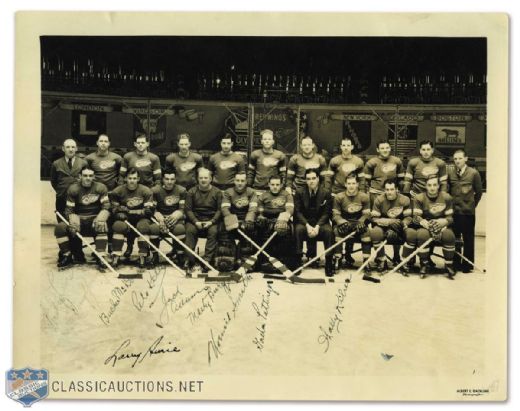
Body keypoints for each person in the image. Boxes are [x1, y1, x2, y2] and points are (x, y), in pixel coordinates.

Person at [54, 165, 110, 269]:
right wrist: (73, 220)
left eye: (90, 175)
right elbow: (69, 209)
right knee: (60, 228)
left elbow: (106, 206)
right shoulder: (73, 188)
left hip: (94, 219)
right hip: (79, 219)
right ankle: (67, 255)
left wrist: (100, 218)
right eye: (85, 175)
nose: (88, 178)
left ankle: (101, 255)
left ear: (94, 177)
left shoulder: (101, 187)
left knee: (102, 224)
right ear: (80, 176)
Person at [405, 175, 456, 279]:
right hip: (425, 224)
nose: (432, 187)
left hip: (441, 224)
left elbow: (450, 218)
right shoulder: (419, 198)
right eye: (429, 185)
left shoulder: (447, 197)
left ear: (438, 186)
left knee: (449, 235)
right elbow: (416, 217)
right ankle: (424, 264)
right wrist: (426, 224)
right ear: (426, 186)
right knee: (422, 235)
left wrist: (443, 222)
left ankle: (448, 265)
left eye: (434, 185)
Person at [364, 140, 405, 265]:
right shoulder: (372, 162)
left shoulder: (397, 161)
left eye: (387, 147)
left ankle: (397, 255)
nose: (385, 150)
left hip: (393, 196)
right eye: (382, 148)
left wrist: (399, 195)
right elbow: (365, 183)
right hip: (376, 195)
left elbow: (402, 181)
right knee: (377, 226)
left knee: (395, 225)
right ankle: (379, 256)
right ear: (377, 149)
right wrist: (369, 198)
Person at [109, 168, 155, 270]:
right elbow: (114, 209)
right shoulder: (117, 191)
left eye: (134, 178)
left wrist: (128, 211)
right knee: (118, 226)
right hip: (125, 219)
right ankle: (116, 255)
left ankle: (142, 256)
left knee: (143, 227)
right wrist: (118, 214)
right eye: (130, 178)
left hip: (141, 219)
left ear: (138, 179)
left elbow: (148, 211)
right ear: (125, 178)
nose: (132, 181)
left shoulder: (146, 191)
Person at [448, 149, 483, 273]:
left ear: (466, 158)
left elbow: (479, 193)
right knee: (455, 238)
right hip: (454, 212)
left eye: (460, 158)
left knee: (468, 239)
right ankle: (456, 263)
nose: (457, 161)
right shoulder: (451, 173)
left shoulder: (474, 173)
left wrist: (472, 205)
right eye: (455, 159)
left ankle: (468, 265)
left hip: (468, 213)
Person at [294, 169, 334, 276]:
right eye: (308, 179)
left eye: (313, 178)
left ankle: (329, 263)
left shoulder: (326, 193)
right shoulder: (299, 192)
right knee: (298, 230)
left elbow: (326, 213)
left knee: (328, 231)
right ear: (305, 181)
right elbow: (297, 212)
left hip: (320, 222)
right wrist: (307, 225)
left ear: (318, 179)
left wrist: (317, 227)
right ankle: (297, 262)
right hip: (304, 222)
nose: (311, 181)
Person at [184, 168, 222, 273]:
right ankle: (190, 261)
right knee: (190, 231)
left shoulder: (217, 192)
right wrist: (195, 221)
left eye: (206, 177)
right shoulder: (191, 191)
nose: (203, 180)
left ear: (211, 179)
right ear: (197, 179)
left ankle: (207, 260)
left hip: (211, 220)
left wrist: (212, 221)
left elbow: (219, 210)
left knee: (213, 232)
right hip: (195, 220)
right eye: (201, 178)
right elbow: (188, 210)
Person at [332, 174, 371, 274]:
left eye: (353, 183)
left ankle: (366, 261)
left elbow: (367, 214)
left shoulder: (364, 197)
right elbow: (335, 214)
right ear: (345, 184)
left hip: (358, 224)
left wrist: (362, 221)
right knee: (337, 231)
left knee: (366, 232)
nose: (351, 186)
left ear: (357, 184)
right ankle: (337, 259)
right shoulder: (339, 197)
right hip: (345, 222)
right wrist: (341, 222)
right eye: (349, 183)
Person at [369, 179, 412, 273]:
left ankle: (402, 260)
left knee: (410, 234)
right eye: (387, 190)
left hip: (399, 225)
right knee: (375, 232)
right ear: (384, 190)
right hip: (383, 225)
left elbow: (408, 217)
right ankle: (382, 259)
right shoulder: (379, 199)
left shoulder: (405, 199)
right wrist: (389, 222)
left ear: (396, 189)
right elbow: (374, 218)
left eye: (392, 189)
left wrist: (402, 224)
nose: (389, 192)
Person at [256, 175, 295, 271]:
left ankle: (283, 260)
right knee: (261, 228)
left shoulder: (287, 195)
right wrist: (261, 216)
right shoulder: (263, 196)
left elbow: (290, 209)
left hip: (281, 219)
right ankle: (265, 261)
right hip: (268, 220)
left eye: (277, 184)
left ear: (281, 185)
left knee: (284, 231)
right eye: (272, 184)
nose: (275, 187)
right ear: (269, 184)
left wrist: (283, 218)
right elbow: (260, 210)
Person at [219, 172, 258, 270]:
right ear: (234, 181)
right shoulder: (228, 192)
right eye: (237, 180)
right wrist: (231, 220)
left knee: (250, 231)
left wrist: (249, 220)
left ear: (246, 182)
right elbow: (225, 208)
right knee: (224, 232)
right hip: (232, 220)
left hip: (245, 220)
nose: (240, 183)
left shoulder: (251, 192)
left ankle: (245, 259)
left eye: (242, 181)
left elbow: (253, 208)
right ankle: (227, 259)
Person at [149, 171, 187, 266]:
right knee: (153, 229)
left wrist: (177, 214)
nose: (169, 182)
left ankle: (179, 256)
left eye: (172, 179)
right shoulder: (155, 191)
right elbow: (152, 209)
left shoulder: (181, 190)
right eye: (167, 179)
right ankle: (155, 256)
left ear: (175, 180)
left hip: (175, 218)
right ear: (162, 179)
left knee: (180, 229)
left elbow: (183, 208)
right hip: (160, 218)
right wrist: (158, 216)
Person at [50, 138, 88, 219]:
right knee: (62, 219)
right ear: (63, 149)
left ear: (76, 148)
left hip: (78, 197)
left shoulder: (83, 163)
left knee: (76, 220)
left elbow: (86, 180)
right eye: (68, 147)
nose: (71, 149)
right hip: (61, 196)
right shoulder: (56, 163)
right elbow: (53, 181)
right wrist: (61, 190)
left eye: (73, 147)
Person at [247, 129, 287, 194]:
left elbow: (283, 174)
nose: (267, 141)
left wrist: (281, 187)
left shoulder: (280, 155)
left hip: (273, 189)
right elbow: (251, 172)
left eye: (269, 139)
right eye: (265, 139)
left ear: (273, 141)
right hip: (257, 188)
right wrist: (249, 186)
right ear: (261, 141)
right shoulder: (255, 154)